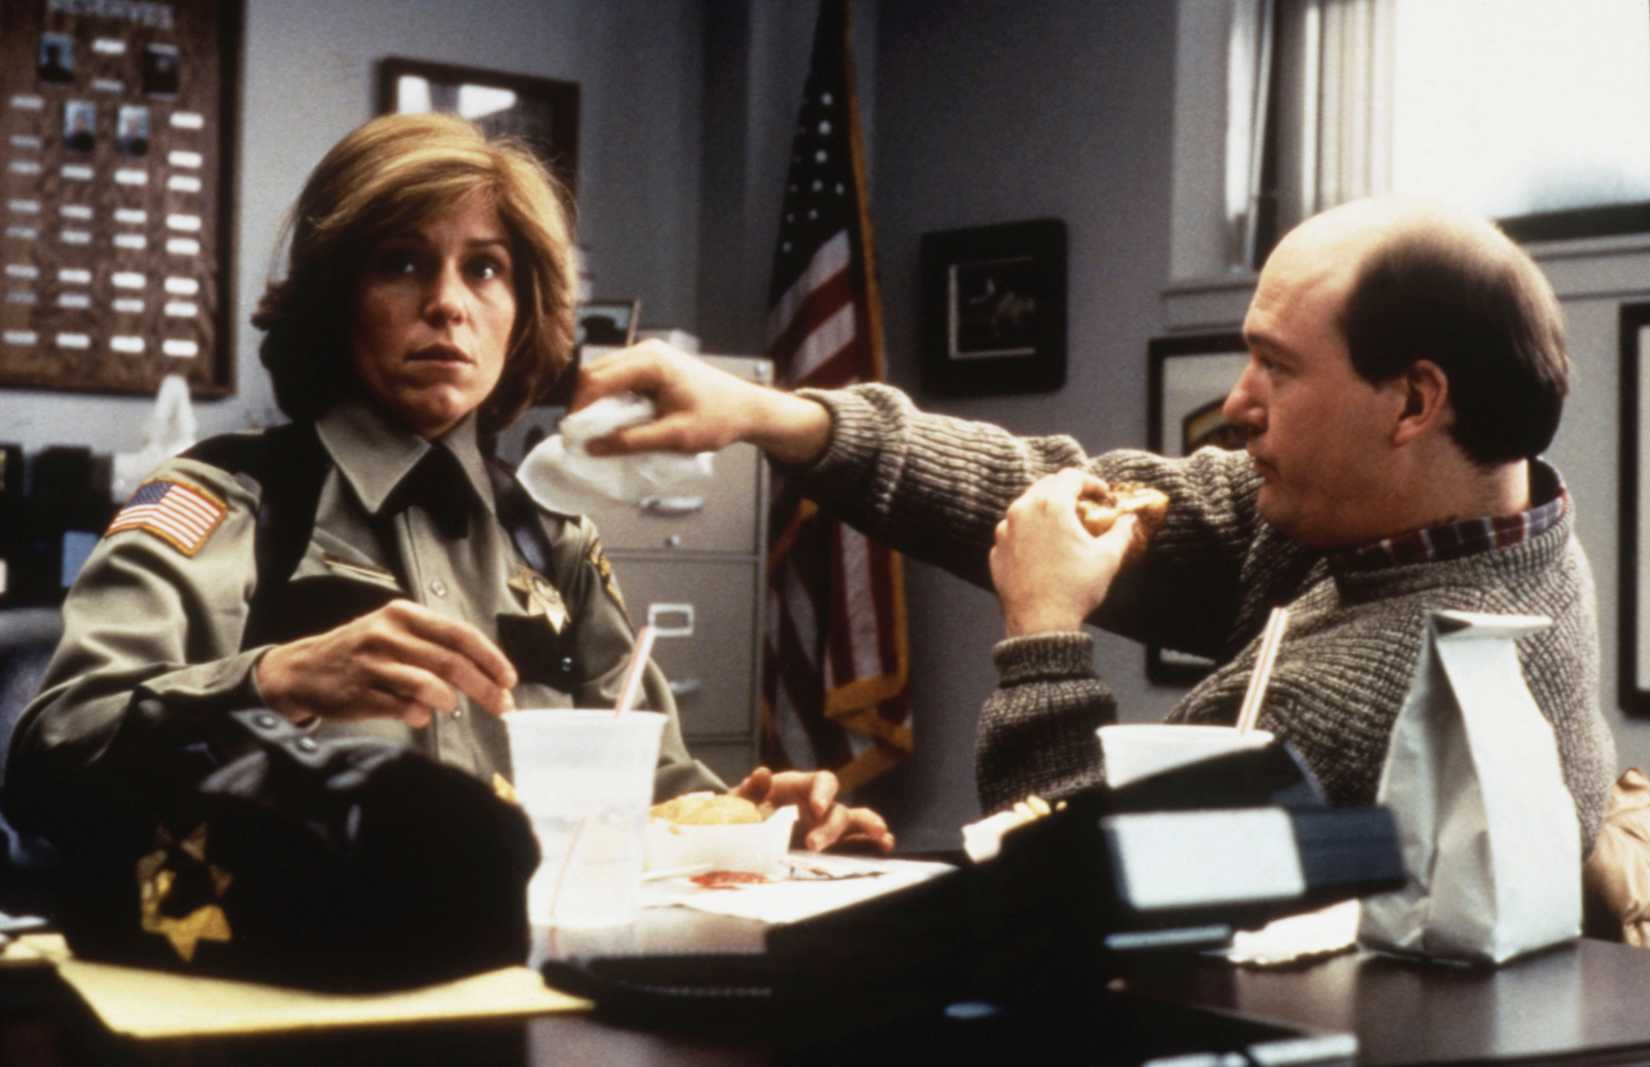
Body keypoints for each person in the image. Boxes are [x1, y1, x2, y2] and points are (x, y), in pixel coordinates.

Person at [568, 196, 1616, 848]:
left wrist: (1043, 636)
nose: (1237, 403)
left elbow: (1078, 893)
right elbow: (1053, 485)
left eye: (1278, 368)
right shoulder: (1464, 515)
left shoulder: (1386, 688)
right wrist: (775, 417)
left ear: (1414, 401)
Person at [2, 112, 890, 856]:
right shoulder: (232, 502)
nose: (448, 303)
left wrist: (759, 819)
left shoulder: (554, 544)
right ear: (336, 296)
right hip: (291, 989)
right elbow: (46, 761)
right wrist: (276, 679)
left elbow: (653, 793)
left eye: (485, 267)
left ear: (523, 305)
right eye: (400, 262)